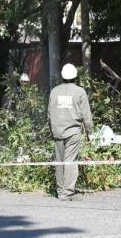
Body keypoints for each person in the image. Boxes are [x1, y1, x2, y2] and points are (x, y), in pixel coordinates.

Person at [48, 64, 93, 201]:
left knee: (59, 162)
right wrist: (89, 131)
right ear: (75, 76)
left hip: (57, 131)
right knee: (70, 161)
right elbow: (86, 114)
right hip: (73, 131)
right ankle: (67, 193)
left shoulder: (54, 91)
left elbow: (49, 113)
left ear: (63, 76)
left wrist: (52, 129)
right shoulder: (79, 92)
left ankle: (60, 191)